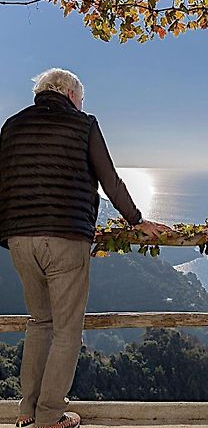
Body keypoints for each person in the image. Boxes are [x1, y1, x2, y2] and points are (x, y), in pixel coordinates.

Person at [0, 68, 173, 428]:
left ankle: (25, 412)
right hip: (65, 236)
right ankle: (49, 415)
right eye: (81, 99)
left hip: (19, 238)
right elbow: (109, 177)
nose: (82, 105)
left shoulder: (12, 126)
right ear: (68, 93)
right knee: (66, 330)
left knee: (39, 322)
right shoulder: (84, 124)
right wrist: (137, 220)